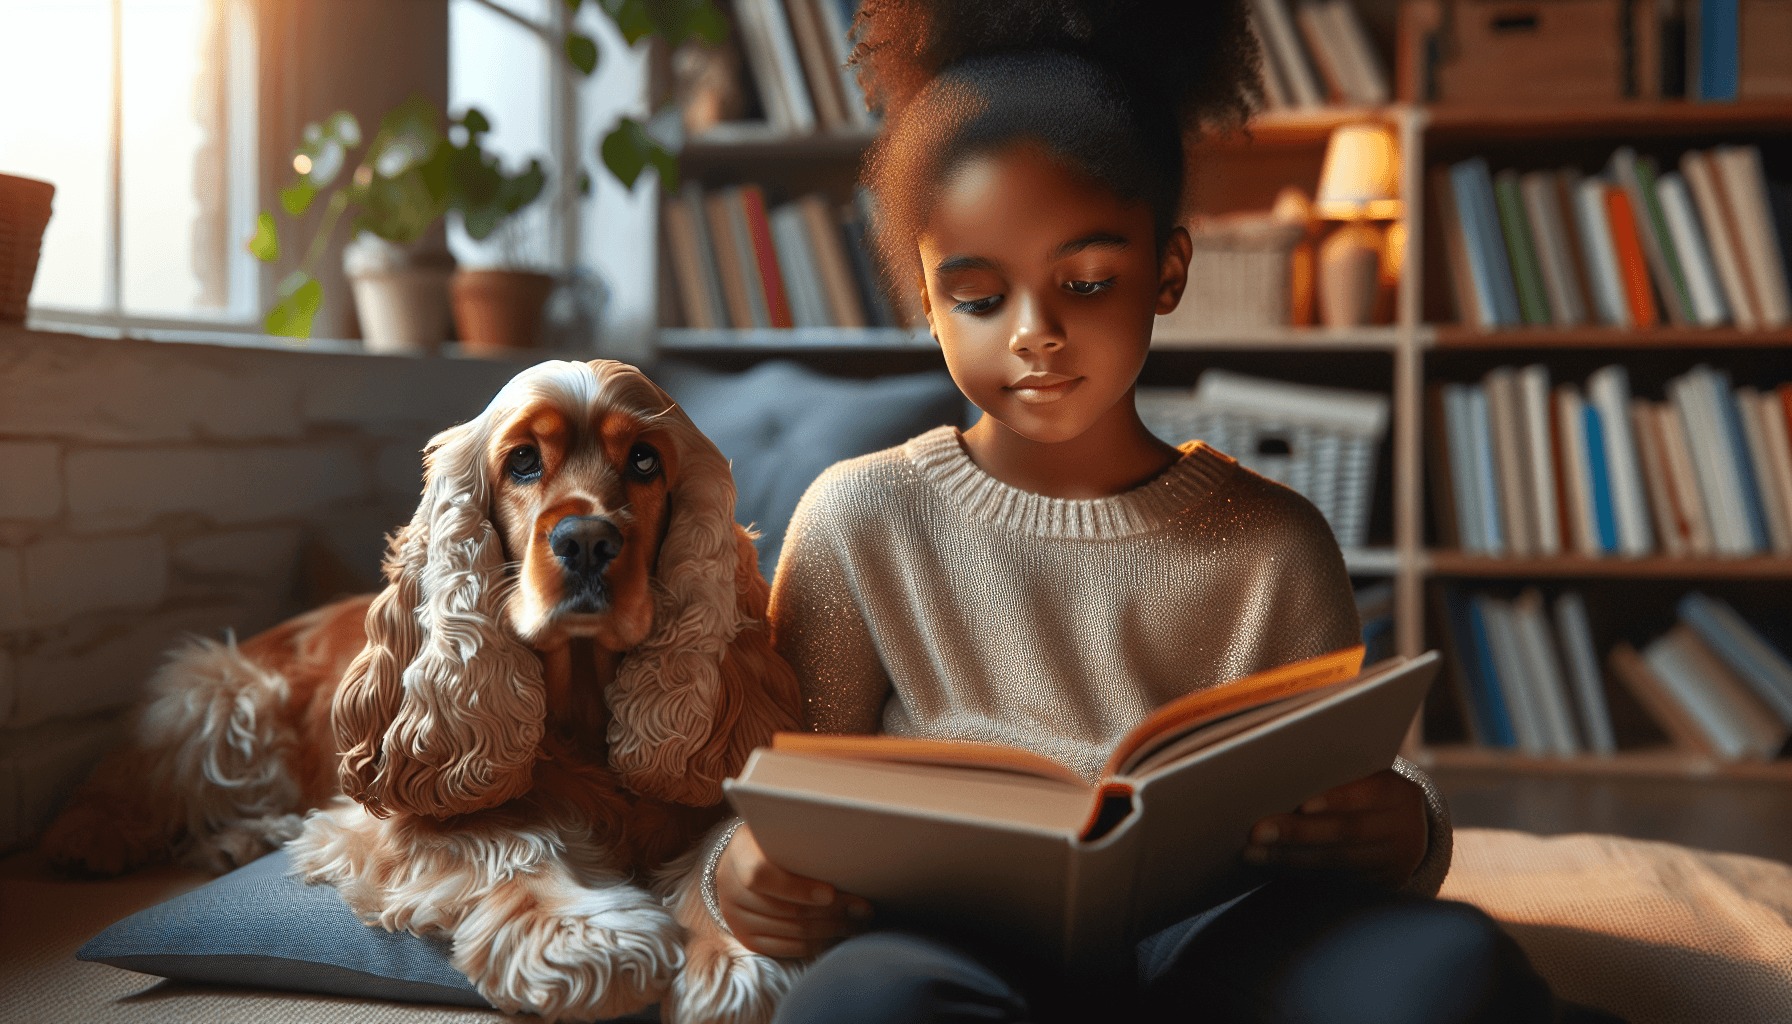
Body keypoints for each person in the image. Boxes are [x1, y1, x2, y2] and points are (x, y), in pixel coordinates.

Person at [703, 2, 1617, 1021]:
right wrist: (746, 873)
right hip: (951, 944)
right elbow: (784, 794)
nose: (1035, 334)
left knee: (1446, 964)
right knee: (855, 1008)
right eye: (976, 296)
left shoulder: (1273, 539)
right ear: (922, 296)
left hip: (1226, 940)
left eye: (1086, 281)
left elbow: (1360, 777)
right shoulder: (858, 516)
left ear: (1167, 270)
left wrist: (1402, 825)